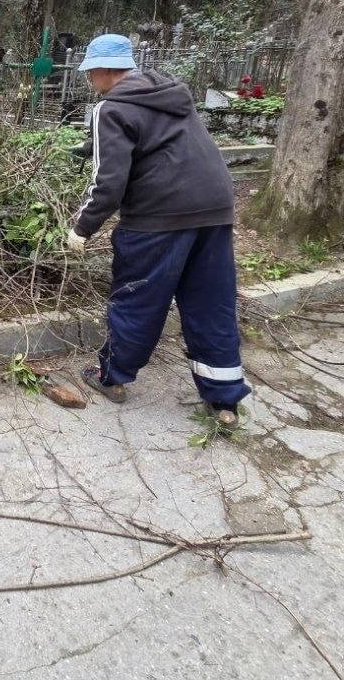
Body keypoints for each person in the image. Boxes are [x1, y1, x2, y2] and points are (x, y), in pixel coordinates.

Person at [66, 33, 251, 424]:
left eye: (89, 73)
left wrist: (82, 227)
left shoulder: (110, 109)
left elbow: (109, 184)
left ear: (102, 70)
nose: (89, 81)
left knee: (138, 299)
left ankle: (110, 376)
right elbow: (162, 142)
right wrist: (91, 146)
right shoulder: (168, 94)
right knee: (211, 300)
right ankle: (224, 399)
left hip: (159, 217)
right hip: (215, 209)